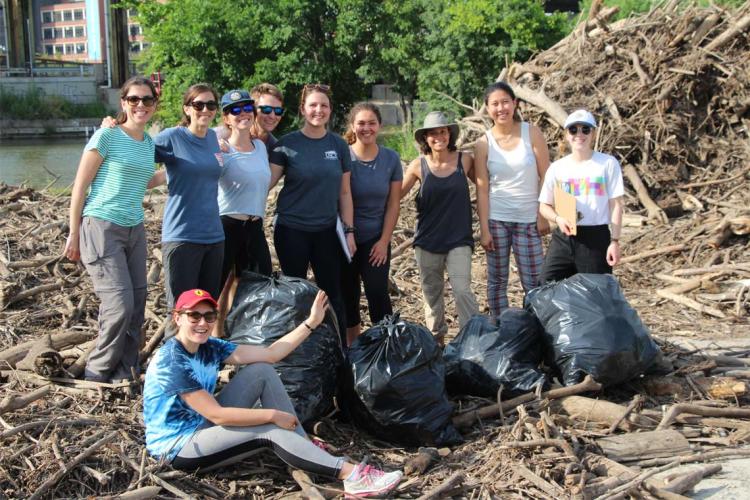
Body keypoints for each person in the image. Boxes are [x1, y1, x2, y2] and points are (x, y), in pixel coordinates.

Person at [142, 288, 403, 497]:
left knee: (261, 370)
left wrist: (311, 323)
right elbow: (218, 415)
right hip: (177, 447)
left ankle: (301, 444)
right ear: (177, 318)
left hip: (201, 425)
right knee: (269, 427)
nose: (202, 323)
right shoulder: (172, 361)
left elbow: (271, 354)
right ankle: (352, 476)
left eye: (209, 316)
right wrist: (272, 415)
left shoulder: (211, 347)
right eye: (194, 316)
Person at [64, 76, 158, 382]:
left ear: (154, 105)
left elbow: (141, 181)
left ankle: (126, 371)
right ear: (124, 103)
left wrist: (181, 170)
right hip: (101, 225)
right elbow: (80, 186)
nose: (140, 105)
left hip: (135, 227)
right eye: (134, 99)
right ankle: (97, 372)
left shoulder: (147, 143)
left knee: (138, 302)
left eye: (147, 100)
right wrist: (74, 232)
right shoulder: (106, 136)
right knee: (119, 304)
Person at [269, 84, 355, 342]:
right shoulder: (286, 144)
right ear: (303, 110)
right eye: (313, 105)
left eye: (324, 105)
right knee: (295, 292)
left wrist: (349, 231)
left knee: (332, 293)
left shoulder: (338, 145)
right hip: (291, 230)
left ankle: (337, 348)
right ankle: (295, 349)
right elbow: (265, 183)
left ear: (330, 110)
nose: (319, 110)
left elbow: (345, 193)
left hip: (326, 231)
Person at [401, 111, 480, 344]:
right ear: (425, 138)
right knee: (431, 296)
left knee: (462, 290)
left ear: (450, 134)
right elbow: (395, 195)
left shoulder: (464, 160)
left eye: (442, 131)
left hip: (459, 239)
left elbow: (486, 187)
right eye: (432, 133)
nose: (438, 137)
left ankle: (472, 339)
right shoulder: (418, 166)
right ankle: (437, 343)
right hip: (427, 241)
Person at [474, 82, 550, 316]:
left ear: (515, 103)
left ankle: (538, 330)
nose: (501, 108)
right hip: (497, 219)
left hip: (528, 220)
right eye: (495, 104)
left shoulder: (532, 133)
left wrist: (542, 215)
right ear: (487, 109)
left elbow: (546, 175)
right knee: (497, 282)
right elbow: (482, 188)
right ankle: (501, 330)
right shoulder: (483, 143)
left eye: (505, 102)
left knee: (534, 282)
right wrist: (484, 228)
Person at [149, 83, 225, 316]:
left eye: (211, 104)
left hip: (214, 237)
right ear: (187, 108)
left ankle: (200, 353)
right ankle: (175, 353)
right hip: (182, 237)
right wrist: (112, 128)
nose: (205, 109)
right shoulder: (172, 137)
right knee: (182, 311)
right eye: (198, 104)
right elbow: (135, 150)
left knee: (206, 310)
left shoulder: (213, 137)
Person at [538, 109, 624, 283]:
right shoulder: (557, 167)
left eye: (585, 129)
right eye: (573, 130)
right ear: (566, 135)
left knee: (595, 294)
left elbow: (617, 205)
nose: (579, 134)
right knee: (546, 285)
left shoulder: (607, 163)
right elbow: (544, 205)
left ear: (593, 133)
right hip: (564, 236)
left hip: (595, 237)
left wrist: (614, 241)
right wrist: (558, 219)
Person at [340, 103, 402, 345]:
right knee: (348, 295)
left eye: (371, 123)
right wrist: (348, 233)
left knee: (377, 292)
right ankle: (352, 349)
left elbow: (393, 204)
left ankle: (385, 346)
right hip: (345, 238)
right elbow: (340, 197)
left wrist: (384, 241)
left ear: (380, 126)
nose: (366, 128)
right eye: (361, 123)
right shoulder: (344, 156)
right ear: (353, 127)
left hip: (376, 237)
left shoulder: (391, 158)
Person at [217, 89, 272, 285]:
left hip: (255, 226)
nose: (243, 113)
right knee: (219, 285)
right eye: (235, 110)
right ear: (226, 118)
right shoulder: (221, 149)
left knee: (262, 283)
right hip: (228, 225)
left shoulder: (261, 147)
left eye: (248, 108)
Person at [250, 82, 285, 151]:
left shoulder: (277, 149)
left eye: (278, 111)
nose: (272, 116)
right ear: (253, 109)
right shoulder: (229, 138)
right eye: (266, 109)